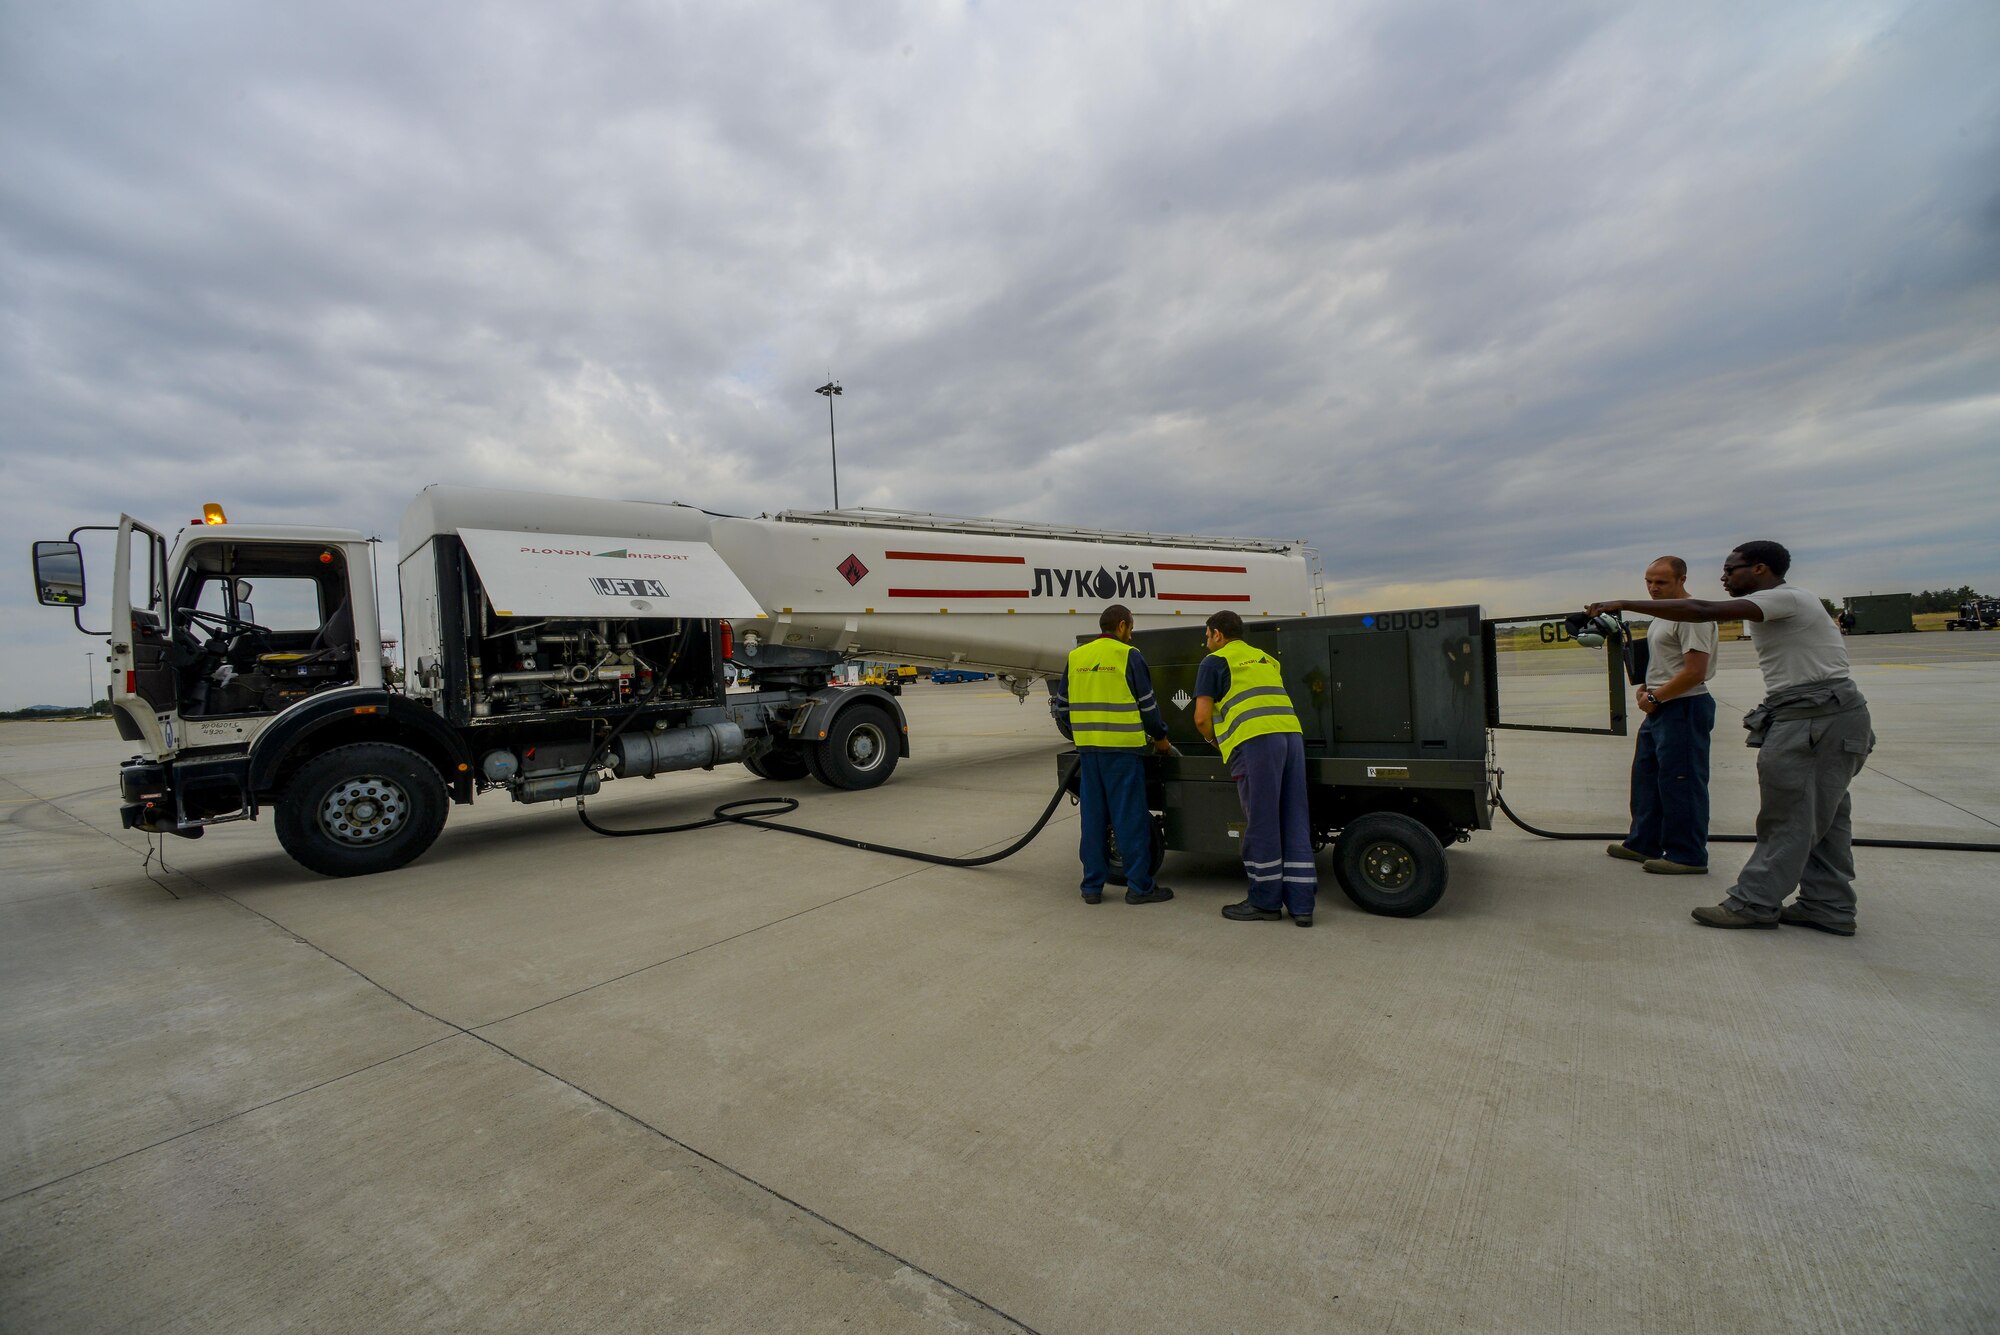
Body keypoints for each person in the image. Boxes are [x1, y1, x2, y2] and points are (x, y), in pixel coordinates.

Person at [1587, 540, 1873, 935]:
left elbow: (1702, 611)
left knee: (1788, 816)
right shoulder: (1780, 605)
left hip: (1816, 718)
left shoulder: (1785, 599)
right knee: (1823, 819)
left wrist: (1623, 603)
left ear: (1758, 570)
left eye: (1730, 569)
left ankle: (1753, 902)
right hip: (1818, 714)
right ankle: (1827, 904)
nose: (1723, 577)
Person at [1193, 611, 1317, 926]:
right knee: (1294, 817)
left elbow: (1201, 718)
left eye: (1207, 635)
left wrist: (1217, 743)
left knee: (1262, 821)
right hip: (1291, 736)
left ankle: (1264, 902)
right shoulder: (1265, 659)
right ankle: (1302, 906)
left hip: (1256, 742)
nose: (1206, 642)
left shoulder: (1214, 662)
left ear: (1217, 634)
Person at [1050, 604, 1175, 906]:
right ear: (1121, 626)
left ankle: (1092, 887)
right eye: (1130, 628)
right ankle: (1139, 887)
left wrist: (1082, 732)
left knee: (1093, 818)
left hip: (1089, 752)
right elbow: (1148, 706)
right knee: (1128, 818)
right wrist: (1160, 737)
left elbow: (1061, 707)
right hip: (1122, 751)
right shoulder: (1128, 656)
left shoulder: (1076, 656)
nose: (1131, 635)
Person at [1607, 556, 1718, 875]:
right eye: (1649, 582)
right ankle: (1644, 843)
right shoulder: (1664, 616)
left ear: (1682, 579)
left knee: (1681, 782)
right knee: (1647, 778)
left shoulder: (1691, 616)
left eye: (1662, 582)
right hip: (1660, 706)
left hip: (1683, 707)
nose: (1653, 588)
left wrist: (1656, 696)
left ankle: (1687, 854)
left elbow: (1695, 671)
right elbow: (1666, 662)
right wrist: (1646, 688)